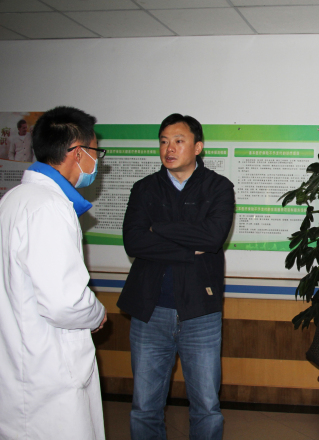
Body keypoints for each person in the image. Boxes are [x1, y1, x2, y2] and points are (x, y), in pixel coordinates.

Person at [116, 114, 235, 440]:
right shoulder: (144, 189)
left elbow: (212, 237)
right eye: (164, 141)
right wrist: (188, 248)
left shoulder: (218, 187)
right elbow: (134, 241)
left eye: (179, 141)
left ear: (197, 147)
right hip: (149, 310)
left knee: (207, 406)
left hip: (200, 311)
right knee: (145, 406)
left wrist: (157, 228)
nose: (169, 148)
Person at [0, 106, 107, 439]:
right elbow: (64, 303)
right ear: (78, 153)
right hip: (48, 373)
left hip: (21, 363)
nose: (97, 161)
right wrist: (97, 313)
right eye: (95, 151)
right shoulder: (50, 207)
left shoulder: (14, 199)